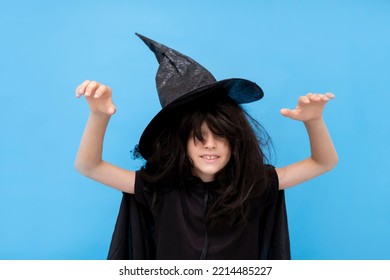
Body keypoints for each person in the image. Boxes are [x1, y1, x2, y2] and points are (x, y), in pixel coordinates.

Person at [74, 34, 338, 260]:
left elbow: (323, 162)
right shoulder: (158, 189)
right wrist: (99, 116)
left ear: (236, 141)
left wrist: (314, 121)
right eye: (198, 136)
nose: (210, 144)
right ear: (181, 142)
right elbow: (89, 166)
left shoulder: (255, 185)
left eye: (221, 135)